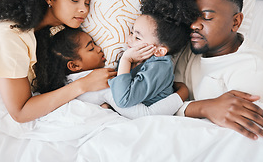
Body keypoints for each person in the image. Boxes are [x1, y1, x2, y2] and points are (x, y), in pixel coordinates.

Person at [174, 0, 263, 140]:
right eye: (192, 17)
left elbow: (241, 143)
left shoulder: (257, 74)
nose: (194, 25)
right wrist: (204, 108)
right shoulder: (192, 48)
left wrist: (194, 108)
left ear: (236, 22)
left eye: (207, 17)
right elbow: (165, 103)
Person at [34, 27, 186, 119]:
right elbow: (146, 115)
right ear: (74, 65)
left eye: (94, 43)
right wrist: (182, 93)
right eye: (91, 48)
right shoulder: (102, 83)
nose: (99, 48)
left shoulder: (66, 83)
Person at [108, 0, 199, 108]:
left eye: (138, 38)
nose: (130, 38)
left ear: (159, 51)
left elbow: (123, 100)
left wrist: (126, 60)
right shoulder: (140, 59)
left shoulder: (160, 67)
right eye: (131, 32)